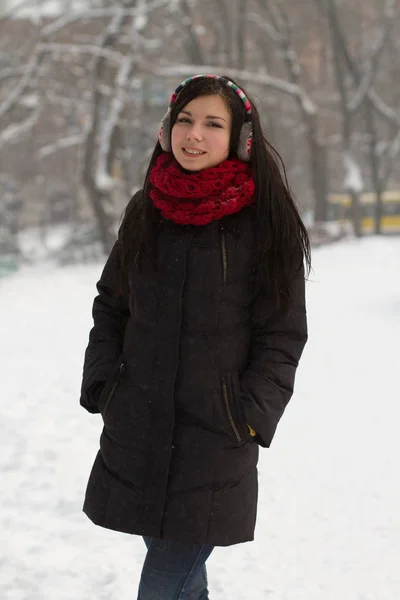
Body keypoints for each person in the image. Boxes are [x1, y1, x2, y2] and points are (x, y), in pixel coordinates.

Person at [79, 73, 310, 600]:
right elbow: (111, 306)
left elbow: (282, 334)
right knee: (182, 582)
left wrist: (249, 415)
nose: (194, 135)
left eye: (212, 124)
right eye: (185, 120)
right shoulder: (146, 211)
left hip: (217, 435)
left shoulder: (265, 223)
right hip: (137, 428)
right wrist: (105, 384)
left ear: (240, 138)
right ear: (166, 130)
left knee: (162, 585)